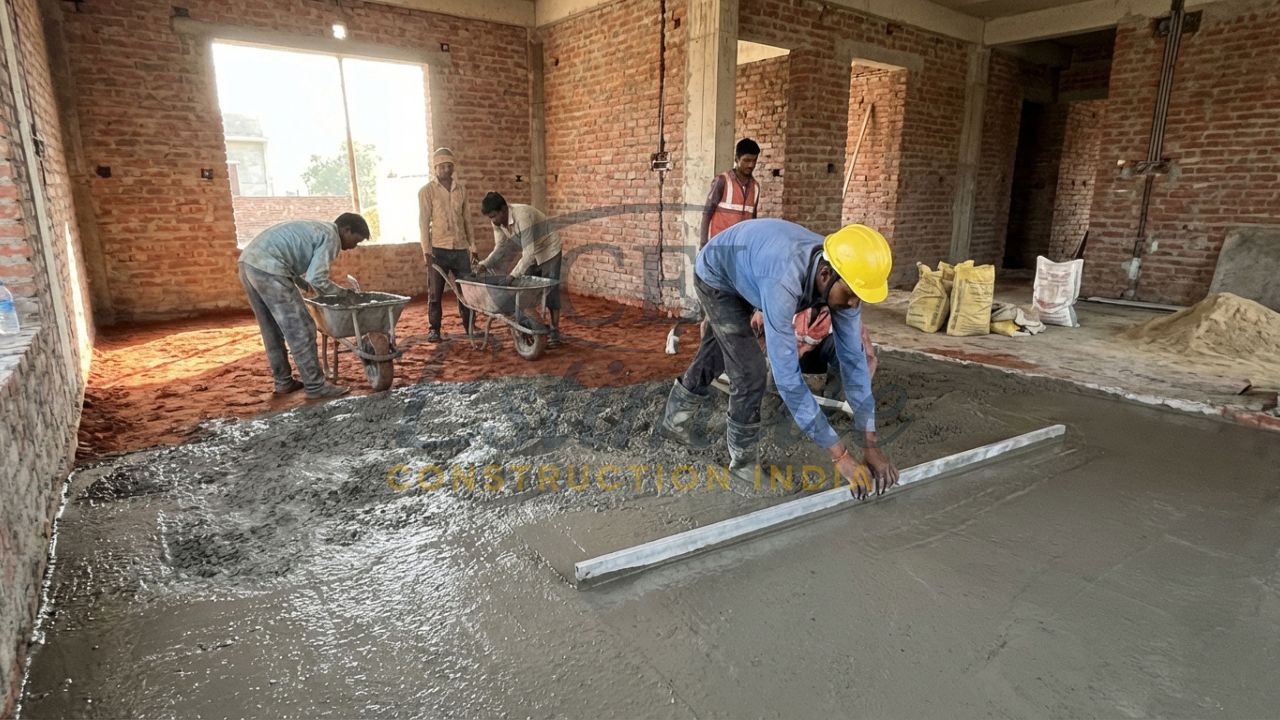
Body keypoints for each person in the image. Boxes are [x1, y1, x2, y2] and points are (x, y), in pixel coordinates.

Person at [657, 218, 900, 497]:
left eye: (860, 297)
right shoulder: (784, 281)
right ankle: (743, 462)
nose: (854, 304)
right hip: (717, 275)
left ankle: (673, 421)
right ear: (825, 275)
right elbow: (787, 381)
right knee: (750, 371)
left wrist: (871, 444)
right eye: (851, 295)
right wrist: (840, 456)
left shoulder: (844, 279)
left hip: (752, 269)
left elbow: (855, 365)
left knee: (722, 351)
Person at [237, 213, 370, 400]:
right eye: (355, 241)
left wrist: (300, 283)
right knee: (302, 327)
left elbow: (290, 254)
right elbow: (316, 278)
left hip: (248, 263)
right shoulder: (331, 236)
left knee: (271, 329)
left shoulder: (316, 228)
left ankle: (283, 382)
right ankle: (315, 386)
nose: (352, 247)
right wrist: (344, 294)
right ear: (346, 230)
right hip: (269, 267)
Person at [475, 192, 564, 346]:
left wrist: (513, 275)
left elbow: (528, 253)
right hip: (532, 252)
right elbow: (500, 247)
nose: (493, 221)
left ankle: (555, 332)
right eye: (490, 217)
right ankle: (534, 325)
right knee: (524, 292)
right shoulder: (497, 222)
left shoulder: (522, 216)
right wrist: (485, 264)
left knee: (550, 291)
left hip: (549, 248)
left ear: (504, 209)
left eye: (494, 216)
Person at [419, 147, 477, 342]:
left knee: (466, 291)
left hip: (460, 249)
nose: (446, 169)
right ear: (435, 168)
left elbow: (467, 220)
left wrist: (473, 247)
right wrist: (426, 252)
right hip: (438, 249)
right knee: (435, 292)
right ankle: (434, 329)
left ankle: (470, 326)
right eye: (442, 166)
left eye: (449, 166)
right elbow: (423, 222)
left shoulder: (461, 190)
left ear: (453, 167)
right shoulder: (427, 192)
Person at [751, 307, 879, 383]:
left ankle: (836, 386)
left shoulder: (840, 305)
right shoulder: (783, 292)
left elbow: (864, 353)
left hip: (819, 351)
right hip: (785, 352)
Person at [699, 138, 761, 248]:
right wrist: (703, 244)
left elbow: (753, 220)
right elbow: (707, 213)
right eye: (746, 160)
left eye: (754, 160)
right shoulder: (722, 181)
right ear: (737, 159)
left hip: (742, 248)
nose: (751, 165)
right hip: (719, 246)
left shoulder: (755, 187)